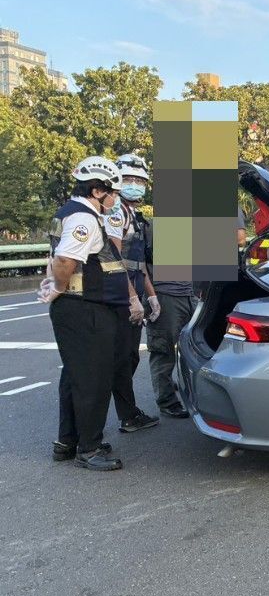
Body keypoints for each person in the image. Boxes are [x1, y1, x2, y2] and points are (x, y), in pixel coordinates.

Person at [39, 157, 143, 470]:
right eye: (112, 192)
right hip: (87, 309)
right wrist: (58, 286)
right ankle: (90, 448)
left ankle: (68, 442)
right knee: (93, 379)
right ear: (97, 190)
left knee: (75, 376)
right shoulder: (83, 219)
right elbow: (65, 262)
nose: (116, 198)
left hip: (81, 308)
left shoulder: (72, 212)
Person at [108, 154, 160, 433]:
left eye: (140, 180)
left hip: (134, 292)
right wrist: (132, 298)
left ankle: (127, 412)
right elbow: (115, 260)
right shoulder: (116, 211)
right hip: (119, 297)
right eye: (129, 179)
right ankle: (126, 415)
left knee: (129, 356)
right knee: (121, 358)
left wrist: (150, 295)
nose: (136, 185)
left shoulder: (133, 215)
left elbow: (138, 265)